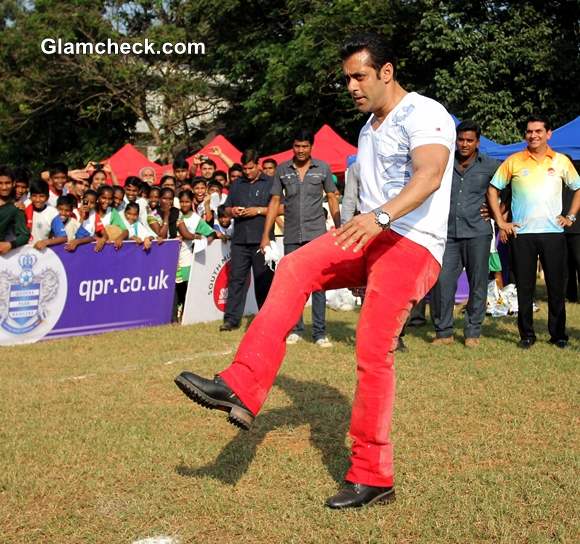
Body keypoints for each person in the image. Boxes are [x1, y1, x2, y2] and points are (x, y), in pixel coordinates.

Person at [175, 32, 455, 509]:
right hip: (369, 234)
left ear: (386, 72)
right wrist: (362, 225)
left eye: (359, 76)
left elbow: (429, 175)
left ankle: (374, 475)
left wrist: (380, 218)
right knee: (295, 265)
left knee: (372, 350)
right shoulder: (368, 128)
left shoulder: (424, 112)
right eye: (347, 78)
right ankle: (240, 384)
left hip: (411, 243)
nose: (351, 86)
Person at [487, 115, 580, 349]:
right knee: (525, 287)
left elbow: (578, 188)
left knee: (556, 286)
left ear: (549, 134)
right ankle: (526, 335)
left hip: (553, 233)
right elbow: (492, 189)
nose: (533, 135)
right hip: (522, 235)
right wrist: (501, 222)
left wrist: (570, 217)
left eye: (538, 131)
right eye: (529, 131)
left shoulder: (561, 161)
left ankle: (558, 335)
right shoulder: (514, 161)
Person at [260, 128, 340, 348]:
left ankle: (319, 332)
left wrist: (340, 227)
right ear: (292, 147)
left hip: (317, 235)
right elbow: (275, 202)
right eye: (297, 146)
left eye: (305, 146)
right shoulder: (282, 170)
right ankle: (296, 328)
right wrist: (265, 235)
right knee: (294, 284)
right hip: (292, 235)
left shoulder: (322, 168)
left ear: (311, 147)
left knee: (319, 284)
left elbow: (332, 198)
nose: (301, 150)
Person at [430, 120, 500, 347]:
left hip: (478, 232)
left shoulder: (490, 165)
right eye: (461, 139)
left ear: (477, 142)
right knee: (442, 282)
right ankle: (443, 332)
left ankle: (472, 332)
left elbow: (506, 190)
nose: (464, 144)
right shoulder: (445, 163)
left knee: (477, 282)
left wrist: (496, 210)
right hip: (448, 233)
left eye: (469, 140)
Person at [219, 149, 277, 331]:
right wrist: (232, 211)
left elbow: (281, 208)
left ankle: (267, 318)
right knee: (236, 279)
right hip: (240, 239)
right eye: (245, 168)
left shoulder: (271, 182)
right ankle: (231, 320)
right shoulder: (236, 184)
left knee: (264, 280)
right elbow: (226, 208)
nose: (247, 172)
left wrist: (258, 210)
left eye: (250, 168)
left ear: (258, 165)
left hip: (262, 239)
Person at [0, 165, 29, 255]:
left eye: (7, 183)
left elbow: (24, 235)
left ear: (13, 183)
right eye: (0, 183)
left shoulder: (16, 208)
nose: (4, 187)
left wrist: (10, 245)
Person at [25, 179, 59, 246]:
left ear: (47, 197)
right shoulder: (24, 207)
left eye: (41, 196)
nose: (38, 200)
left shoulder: (53, 212)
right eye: (34, 196)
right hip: (24, 251)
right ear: (30, 196)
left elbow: (63, 237)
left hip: (43, 253)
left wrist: (46, 242)